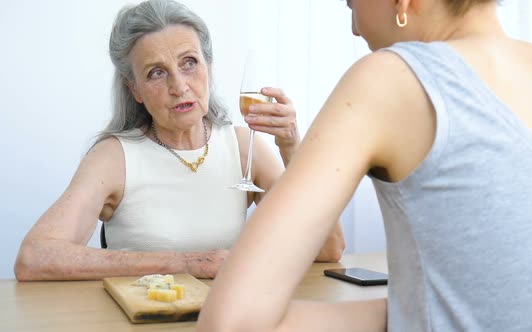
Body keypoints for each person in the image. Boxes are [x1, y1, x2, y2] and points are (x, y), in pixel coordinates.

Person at [196, 0, 532, 330]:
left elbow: (233, 322)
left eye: (353, 4)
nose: (354, 28)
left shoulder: (393, 76)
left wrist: (413, 311)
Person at [14, 0, 345, 282]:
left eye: (189, 63)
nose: (179, 86)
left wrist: (291, 148)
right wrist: (185, 263)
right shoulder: (114, 157)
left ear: (209, 67)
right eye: (156, 72)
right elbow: (34, 257)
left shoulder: (243, 146)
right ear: (135, 90)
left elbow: (329, 248)